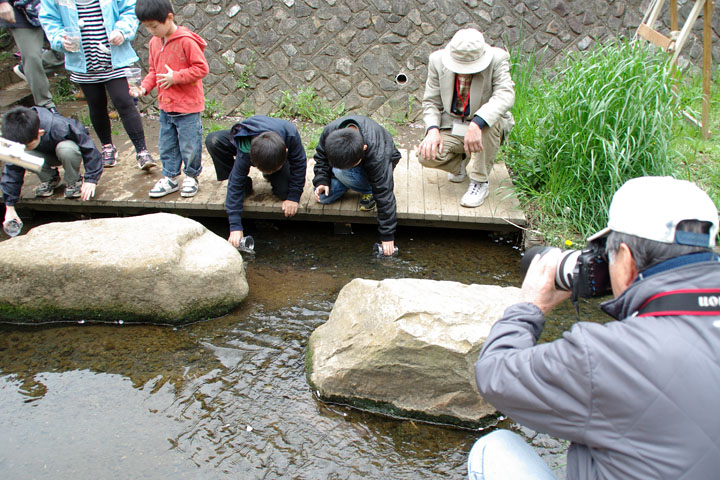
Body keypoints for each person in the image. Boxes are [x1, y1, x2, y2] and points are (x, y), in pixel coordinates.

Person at [469, 176, 720, 479]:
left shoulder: (607, 354)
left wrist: (530, 306)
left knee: (494, 448)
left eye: (608, 256)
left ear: (626, 259)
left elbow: (495, 374)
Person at [39, 0, 156, 170]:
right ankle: (107, 147)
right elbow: (49, 19)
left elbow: (129, 9)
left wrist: (122, 31)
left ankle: (142, 151)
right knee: (96, 105)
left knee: (125, 102)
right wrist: (59, 39)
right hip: (82, 61)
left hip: (115, 58)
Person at [418, 28, 514, 208]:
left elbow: (505, 95)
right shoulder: (437, 61)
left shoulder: (498, 59)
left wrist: (477, 123)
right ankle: (461, 163)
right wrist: (432, 130)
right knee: (426, 154)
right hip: (453, 124)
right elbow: (431, 102)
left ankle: (480, 181)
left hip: (485, 127)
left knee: (492, 121)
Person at [132, 0, 208, 198]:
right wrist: (143, 88)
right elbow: (153, 72)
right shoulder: (154, 43)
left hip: (188, 107)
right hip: (166, 107)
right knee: (167, 144)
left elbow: (201, 68)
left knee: (190, 144)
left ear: (169, 18)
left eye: (154, 26)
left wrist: (176, 77)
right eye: (147, 27)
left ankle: (191, 176)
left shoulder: (186, 41)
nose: (151, 31)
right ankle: (171, 177)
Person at [206, 116, 306, 248]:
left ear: (286, 152)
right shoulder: (245, 148)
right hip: (252, 135)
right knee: (213, 141)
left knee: (284, 192)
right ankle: (246, 185)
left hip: (277, 143)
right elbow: (234, 184)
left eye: (272, 170)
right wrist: (235, 226)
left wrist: (294, 197)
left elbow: (299, 164)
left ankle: (273, 173)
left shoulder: (291, 135)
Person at [312, 115, 401, 256]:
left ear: (364, 148)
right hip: (344, 168)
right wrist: (322, 180)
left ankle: (368, 189)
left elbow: (385, 193)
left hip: (376, 166)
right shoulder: (330, 133)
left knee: (342, 173)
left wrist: (387, 236)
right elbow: (321, 157)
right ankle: (347, 179)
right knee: (323, 197)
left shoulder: (377, 153)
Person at [1, 106, 103, 227]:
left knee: (66, 149)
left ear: (40, 132)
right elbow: (11, 171)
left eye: (28, 145)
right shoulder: (15, 136)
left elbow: (89, 148)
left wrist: (91, 179)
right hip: (43, 156)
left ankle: (74, 181)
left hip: (65, 152)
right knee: (20, 155)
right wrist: (10, 206)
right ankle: (50, 178)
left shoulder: (60, 125)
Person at [0, 0, 64, 112]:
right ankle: (46, 105)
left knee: (69, 50)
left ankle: (28, 71)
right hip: (20, 10)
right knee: (32, 57)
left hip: (53, 7)